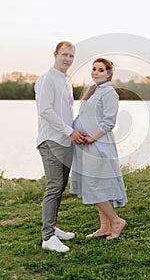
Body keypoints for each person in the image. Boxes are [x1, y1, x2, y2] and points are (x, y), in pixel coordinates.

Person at [35, 41, 86, 253]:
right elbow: (45, 111)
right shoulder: (46, 79)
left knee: (61, 186)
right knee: (54, 186)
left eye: (71, 56)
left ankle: (52, 227)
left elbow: (66, 111)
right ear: (55, 54)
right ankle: (47, 237)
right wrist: (68, 131)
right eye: (64, 54)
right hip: (51, 140)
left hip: (66, 141)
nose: (67, 59)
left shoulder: (65, 80)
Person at [70, 57, 128, 240]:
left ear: (109, 73)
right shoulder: (94, 90)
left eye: (101, 70)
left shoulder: (109, 93)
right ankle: (105, 227)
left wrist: (91, 138)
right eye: (94, 69)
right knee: (97, 184)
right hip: (88, 145)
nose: (96, 72)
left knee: (94, 184)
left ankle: (116, 221)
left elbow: (108, 122)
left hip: (98, 145)